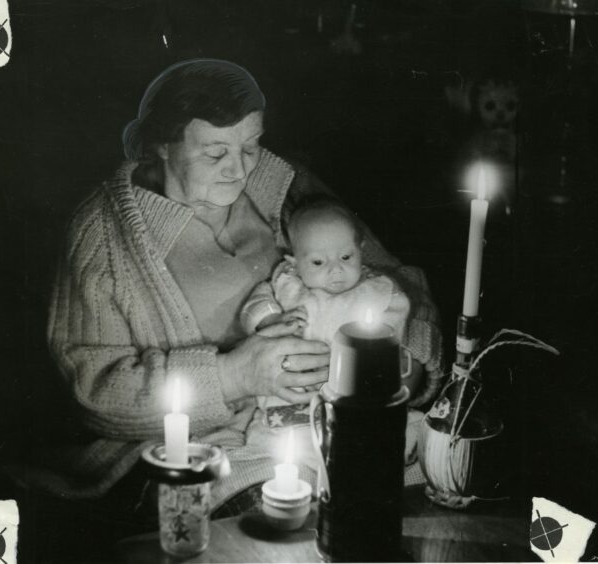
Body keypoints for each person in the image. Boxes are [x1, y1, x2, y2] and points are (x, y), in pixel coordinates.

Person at [22, 59, 443, 532]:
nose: (239, 168)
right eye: (214, 152)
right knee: (293, 528)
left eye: (251, 145)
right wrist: (235, 375)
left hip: (332, 421)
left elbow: (393, 278)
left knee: (434, 497)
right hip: (208, 451)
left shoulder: (284, 187)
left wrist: (402, 367)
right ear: (161, 144)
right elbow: (94, 390)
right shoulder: (103, 234)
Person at [240, 196, 411, 430]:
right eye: (318, 262)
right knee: (277, 440)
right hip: (293, 400)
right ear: (295, 262)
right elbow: (255, 305)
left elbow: (393, 334)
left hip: (352, 396)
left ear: (360, 251)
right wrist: (270, 320)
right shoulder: (287, 284)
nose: (336, 269)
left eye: (346, 257)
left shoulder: (376, 292)